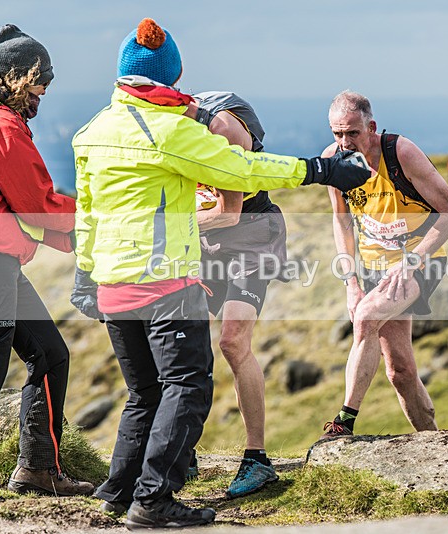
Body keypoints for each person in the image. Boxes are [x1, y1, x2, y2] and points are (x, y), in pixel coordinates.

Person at [69, 19, 370, 529]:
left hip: (155, 270)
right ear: (170, 79)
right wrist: (319, 171)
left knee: (166, 379)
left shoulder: (94, 130)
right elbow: (246, 172)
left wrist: (85, 271)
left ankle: (129, 488)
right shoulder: (171, 131)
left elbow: (88, 212)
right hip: (169, 274)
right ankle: (152, 495)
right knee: (185, 383)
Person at [0, 24, 94, 502]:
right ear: (16, 76)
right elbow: (39, 205)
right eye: (41, 81)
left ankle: (38, 469)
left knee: (49, 354)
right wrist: (95, 218)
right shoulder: (0, 125)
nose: (44, 91)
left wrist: (77, 238)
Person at [320, 91, 448, 439]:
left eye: (352, 133)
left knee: (367, 316)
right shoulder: (333, 161)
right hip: (371, 265)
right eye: (337, 133)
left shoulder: (401, 153)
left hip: (418, 258)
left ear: (371, 127)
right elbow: (341, 222)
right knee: (399, 371)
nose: (344, 142)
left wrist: (412, 263)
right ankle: (434, 441)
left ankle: (343, 422)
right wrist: (350, 281)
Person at [189, 91, 285, 498]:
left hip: (251, 237)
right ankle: (177, 449)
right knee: (183, 342)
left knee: (232, 342)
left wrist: (169, 226)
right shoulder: (160, 129)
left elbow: (228, 212)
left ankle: (256, 459)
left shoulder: (223, 131)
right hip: (205, 244)